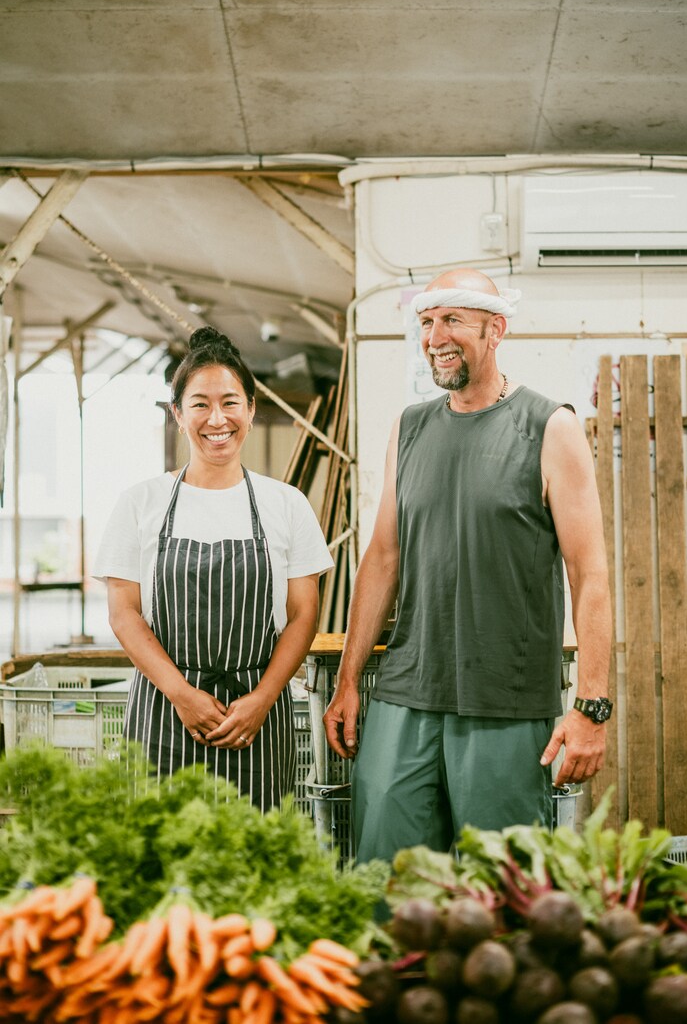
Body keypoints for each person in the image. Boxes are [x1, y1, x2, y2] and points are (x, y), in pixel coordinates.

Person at [323, 269, 612, 861]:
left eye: (453, 319)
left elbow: (590, 576)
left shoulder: (549, 426)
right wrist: (349, 679)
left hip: (505, 700)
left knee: (498, 890)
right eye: (427, 322)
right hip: (407, 692)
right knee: (387, 879)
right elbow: (383, 558)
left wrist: (592, 706)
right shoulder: (409, 428)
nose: (435, 336)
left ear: (496, 328)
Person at [94, 326, 333, 809]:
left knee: (256, 860)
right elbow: (124, 613)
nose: (216, 418)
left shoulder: (286, 504)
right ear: (178, 414)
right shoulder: (141, 503)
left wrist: (262, 700)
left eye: (230, 402)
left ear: (250, 409)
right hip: (164, 713)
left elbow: (304, 614)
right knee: (161, 860)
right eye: (200, 404)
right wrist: (182, 695)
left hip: (256, 717)